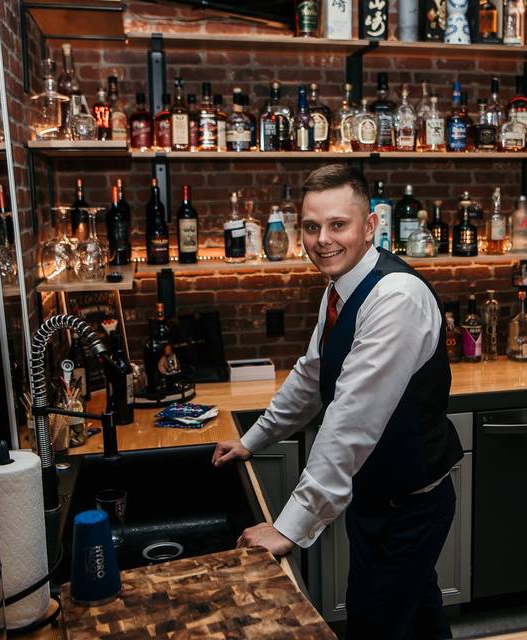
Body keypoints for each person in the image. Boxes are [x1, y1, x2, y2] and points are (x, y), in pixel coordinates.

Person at [212, 164, 463, 639]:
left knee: (375, 625)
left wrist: (287, 528)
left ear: (370, 227)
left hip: (410, 507)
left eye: (337, 225)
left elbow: (350, 421)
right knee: (420, 623)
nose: (322, 239)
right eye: (311, 226)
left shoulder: (395, 299)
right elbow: (312, 374)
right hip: (376, 498)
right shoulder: (339, 289)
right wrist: (254, 439)